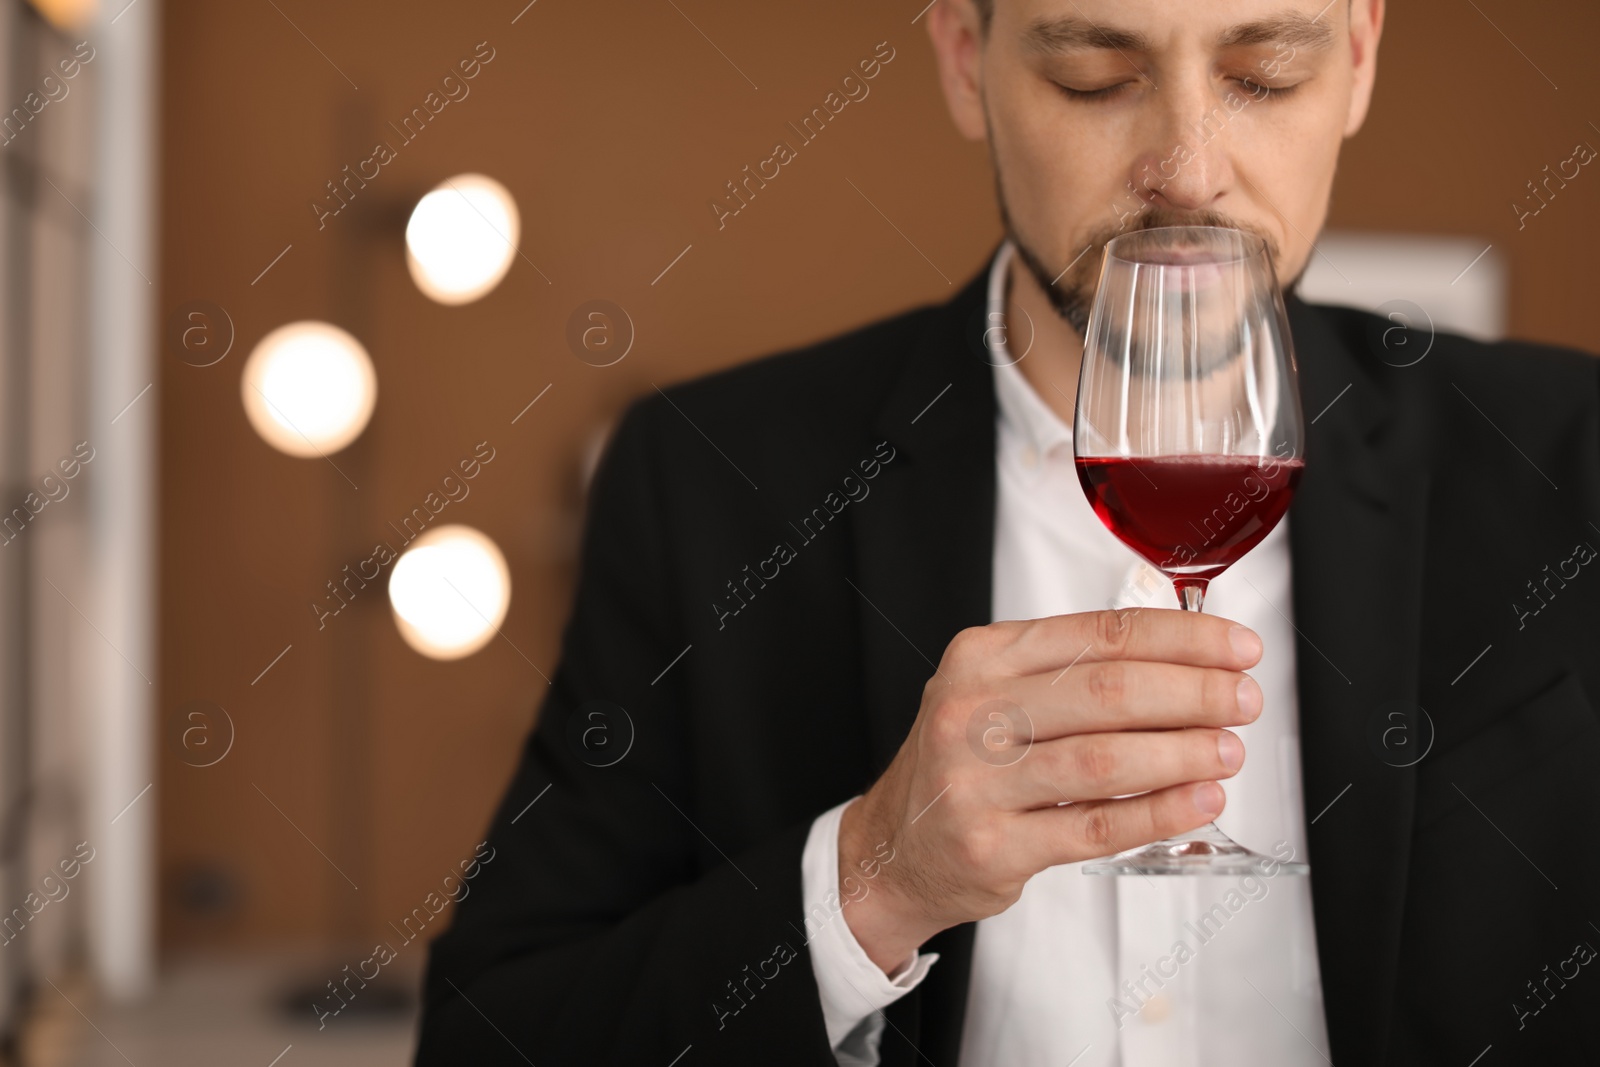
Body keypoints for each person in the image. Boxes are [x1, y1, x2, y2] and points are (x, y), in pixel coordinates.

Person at [414, 0, 1600, 1063]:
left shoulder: (1572, 459)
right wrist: (869, 877)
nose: (1186, 172)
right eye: (1092, 74)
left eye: (1265, 73)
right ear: (963, 58)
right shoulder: (712, 481)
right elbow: (490, 1036)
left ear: (1358, 55)